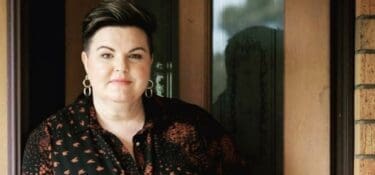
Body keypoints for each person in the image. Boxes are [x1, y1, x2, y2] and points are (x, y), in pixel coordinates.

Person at [21, 0, 248, 174]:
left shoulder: (196, 127)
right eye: (107, 55)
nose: (121, 67)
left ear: (150, 61)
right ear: (86, 62)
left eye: (135, 55)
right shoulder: (50, 140)